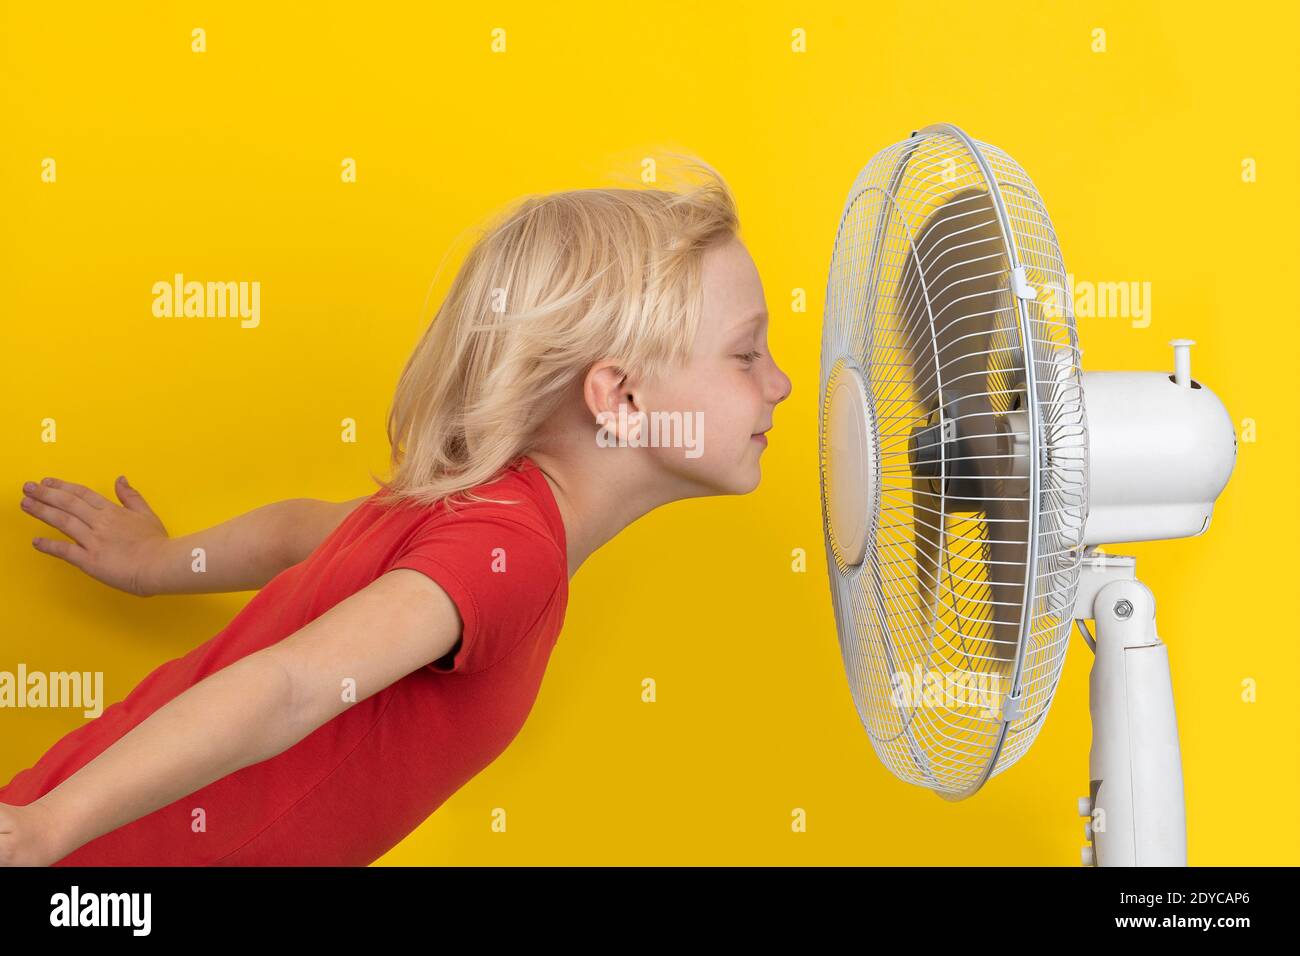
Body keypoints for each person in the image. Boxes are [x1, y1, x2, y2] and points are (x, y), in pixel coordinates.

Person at [0, 160, 792, 865]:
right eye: (746, 353)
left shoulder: (479, 505)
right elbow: (290, 686)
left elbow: (296, 532)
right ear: (620, 397)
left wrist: (156, 565)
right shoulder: (510, 552)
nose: (780, 383)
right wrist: (47, 829)